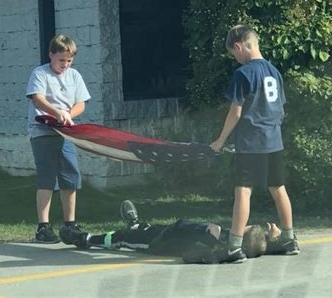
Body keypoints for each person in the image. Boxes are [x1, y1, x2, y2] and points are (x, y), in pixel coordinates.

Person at [210, 24, 300, 261]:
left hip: (251, 143)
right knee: (278, 189)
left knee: (243, 192)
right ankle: (290, 239)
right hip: (274, 141)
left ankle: (234, 247)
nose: (236, 59)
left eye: (234, 54)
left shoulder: (243, 74)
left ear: (239, 46)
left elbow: (235, 113)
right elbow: (280, 109)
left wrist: (220, 141)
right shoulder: (274, 72)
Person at [26, 34, 91, 243]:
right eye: (61, 60)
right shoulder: (40, 74)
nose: (65, 65)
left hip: (65, 132)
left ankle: (70, 225)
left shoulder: (74, 76)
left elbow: (81, 102)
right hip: (42, 131)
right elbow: (38, 98)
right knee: (47, 177)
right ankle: (43, 228)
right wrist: (56, 112)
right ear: (51, 55)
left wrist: (69, 115)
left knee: (70, 176)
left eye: (69, 61)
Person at [60, 200, 270, 264]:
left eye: (245, 227)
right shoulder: (226, 236)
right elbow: (258, 246)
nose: (241, 224)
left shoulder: (217, 246)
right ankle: (135, 225)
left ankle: (84, 239)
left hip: (157, 243)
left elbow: (190, 255)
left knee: (122, 239)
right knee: (136, 230)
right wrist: (272, 236)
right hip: (166, 232)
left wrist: (213, 249)